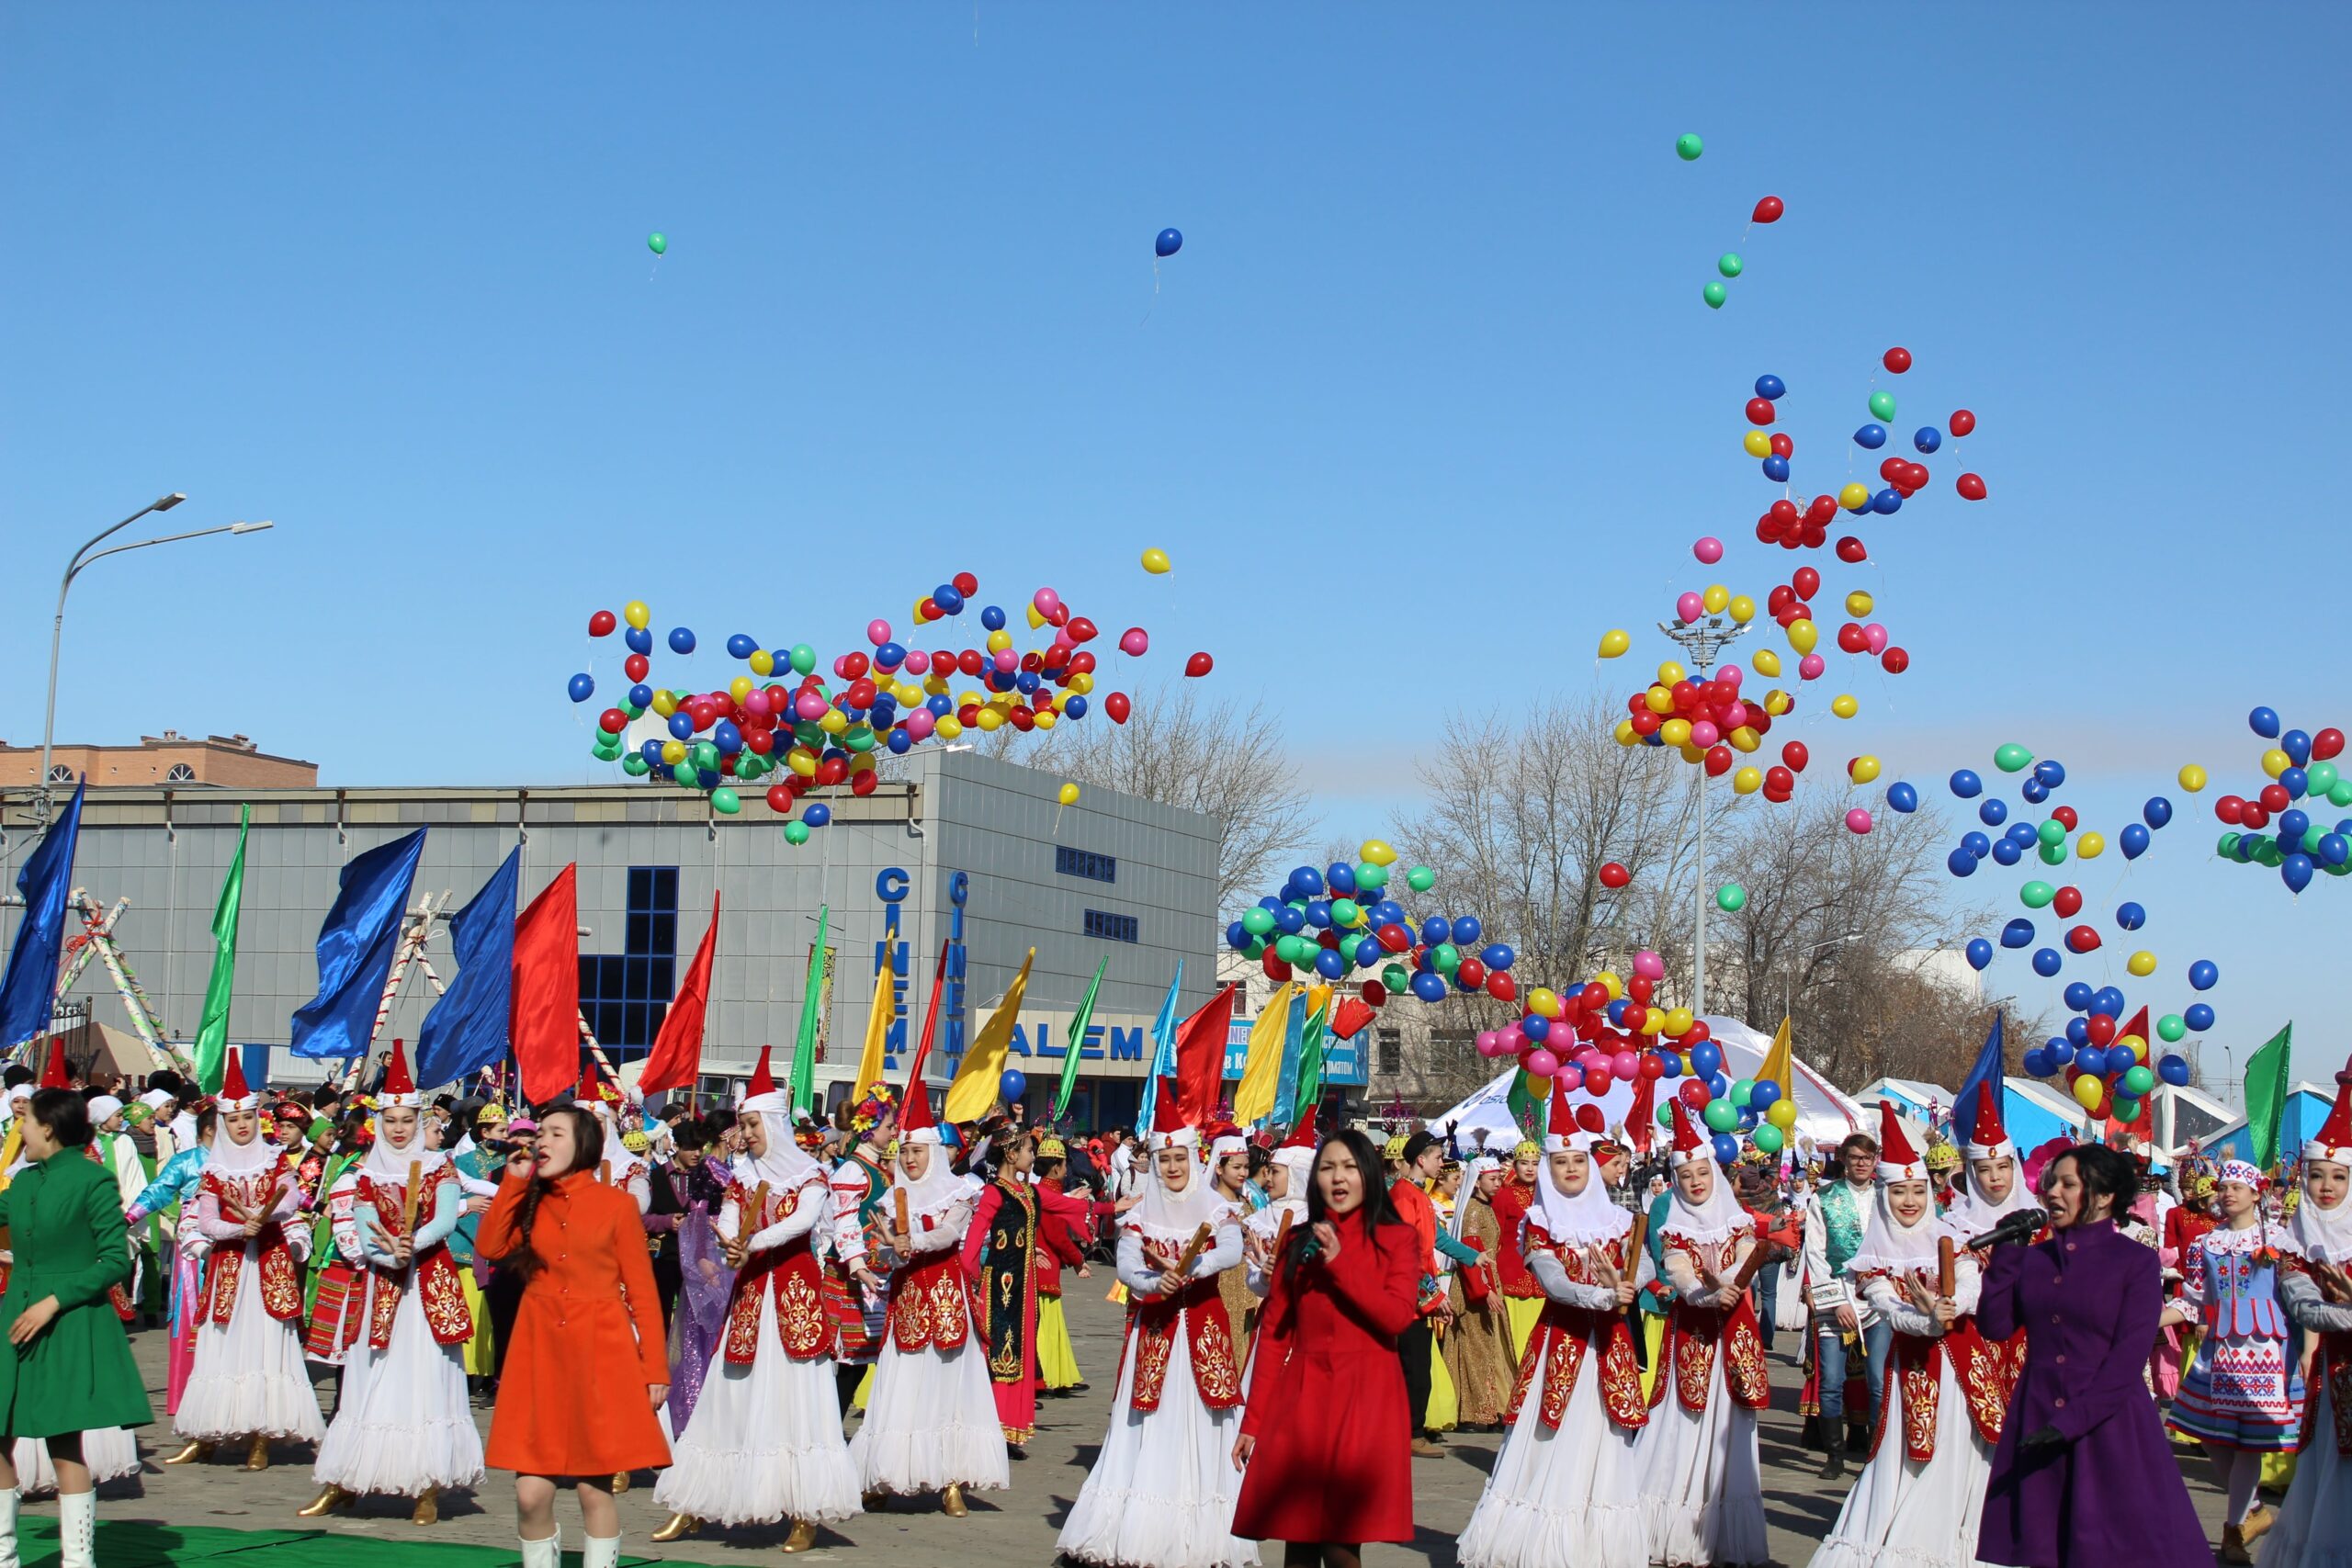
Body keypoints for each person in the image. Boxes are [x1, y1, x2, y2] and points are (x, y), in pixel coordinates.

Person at [652, 1048, 859, 1554]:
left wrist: (753, 1243)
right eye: (741, 1125)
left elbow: (803, 1221)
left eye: (751, 1124)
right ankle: (697, 1502)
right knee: (728, 1392)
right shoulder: (742, 1175)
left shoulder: (811, 1174)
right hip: (750, 1297)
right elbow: (728, 1215)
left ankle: (803, 1511)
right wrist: (728, 1242)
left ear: (770, 1122)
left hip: (793, 1293)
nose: (744, 1134)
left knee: (797, 1398)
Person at [1974, 1143, 2209, 1568]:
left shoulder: (2135, 1261)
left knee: (2112, 1545)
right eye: (2050, 1184)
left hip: (2110, 1421)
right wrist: (2006, 1256)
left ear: (2102, 1196)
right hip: (2039, 1410)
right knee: (2046, 1543)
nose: (2052, 1194)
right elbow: (1996, 1327)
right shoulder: (2034, 1259)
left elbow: (2126, 1357)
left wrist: (2072, 1422)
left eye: (2067, 1184)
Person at [1456, 1086, 1648, 1568]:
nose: (1571, 1170)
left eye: (1578, 1162)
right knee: (1551, 1434)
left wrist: (1628, 1281)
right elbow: (1554, 1282)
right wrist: (1603, 1293)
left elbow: (1644, 1265)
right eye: (1561, 1163)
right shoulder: (1539, 1222)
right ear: (1548, 1169)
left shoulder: (1621, 1219)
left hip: (1609, 1344)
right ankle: (1542, 1545)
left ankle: (1595, 1544)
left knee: (1605, 1435)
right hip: (1562, 1340)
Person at [1812, 1105, 2010, 1568]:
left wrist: (1952, 1304)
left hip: (1964, 1367)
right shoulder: (1874, 1257)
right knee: (1912, 1454)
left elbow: (1971, 1282)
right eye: (1899, 1191)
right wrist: (1925, 1319)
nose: (1910, 1201)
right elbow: (1886, 1307)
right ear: (1883, 1194)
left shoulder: (1951, 1235)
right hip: (1916, 1369)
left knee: (1964, 1453)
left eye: (1918, 1190)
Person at [1058, 1099, 1253, 1568]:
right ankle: (1141, 1527)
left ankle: (1206, 1536)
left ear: (1194, 1159)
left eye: (1179, 1158)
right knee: (1147, 1422)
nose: (1171, 1167)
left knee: (1208, 1420)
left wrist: (1195, 1267)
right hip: (1158, 1329)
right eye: (1163, 1159)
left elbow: (1230, 1249)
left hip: (1205, 1328)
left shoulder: (1215, 1207)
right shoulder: (1141, 1210)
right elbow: (1126, 1265)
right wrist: (1154, 1282)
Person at [479, 1105, 671, 1568]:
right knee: (530, 1492)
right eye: (540, 1131)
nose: (542, 1140)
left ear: (582, 1143)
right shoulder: (527, 1198)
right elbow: (490, 1247)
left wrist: (654, 1369)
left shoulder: (618, 1205)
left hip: (600, 1350)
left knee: (593, 1488)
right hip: (537, 1349)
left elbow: (643, 1294)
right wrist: (513, 1183)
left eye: (555, 1133)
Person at [301, 1041, 483, 1524]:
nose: (399, 1129)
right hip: (382, 1285)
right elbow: (361, 1226)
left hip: (426, 1285)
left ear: (419, 1121)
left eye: (406, 1121)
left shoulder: (439, 1166)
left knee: (423, 1376)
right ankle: (347, 1477)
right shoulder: (364, 1173)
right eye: (391, 1121)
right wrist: (388, 1251)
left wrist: (412, 1243)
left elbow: (445, 1219)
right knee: (367, 1376)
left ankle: (424, 1483)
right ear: (379, 1123)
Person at [1231, 1128, 1421, 1568]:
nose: (1339, 1177)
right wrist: (1253, 1420)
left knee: (1340, 1540)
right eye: (1329, 1167)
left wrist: (1340, 1264)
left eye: (1350, 1167)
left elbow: (1395, 1317)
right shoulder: (1298, 1241)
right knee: (1296, 1536)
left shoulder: (1396, 1239)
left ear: (1370, 1176)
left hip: (1368, 1397)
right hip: (1303, 1396)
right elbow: (1276, 1333)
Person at [0, 1086, 153, 1568]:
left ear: (47, 1128)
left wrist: (53, 1302)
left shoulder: (94, 1180)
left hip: (65, 1323)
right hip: (13, 1323)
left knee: (64, 1444)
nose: (19, 1130)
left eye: (25, 1122)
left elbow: (113, 1260)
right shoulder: (22, 1182)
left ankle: (77, 1561)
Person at [848, 1081, 1006, 1516]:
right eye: (904, 1152)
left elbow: (949, 1233)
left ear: (934, 1154)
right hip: (908, 1301)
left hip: (947, 1297)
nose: (910, 1159)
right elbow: (882, 1248)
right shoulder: (888, 1197)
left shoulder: (957, 1192)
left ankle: (951, 1479)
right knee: (900, 1384)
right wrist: (887, 1248)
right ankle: (883, 1473)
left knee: (950, 1385)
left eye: (917, 1151)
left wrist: (908, 1241)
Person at [168, 1053, 323, 1472]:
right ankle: (207, 1432)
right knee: (222, 1345)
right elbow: (205, 1220)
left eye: (250, 1118)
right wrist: (239, 1230)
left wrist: (266, 1215)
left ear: (259, 1119)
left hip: (269, 1265)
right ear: (222, 1123)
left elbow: (291, 1197)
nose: (242, 1125)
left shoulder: (275, 1160)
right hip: (229, 1268)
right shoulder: (213, 1170)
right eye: (235, 1120)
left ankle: (262, 1434)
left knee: (267, 1344)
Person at [1634, 1100, 1768, 1568]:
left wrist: (1730, 1283)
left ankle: (1727, 1536)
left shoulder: (1739, 1221)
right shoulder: (1675, 1230)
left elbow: (1746, 1257)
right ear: (1676, 1180)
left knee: (1733, 1427)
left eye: (1702, 1173)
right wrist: (1708, 1295)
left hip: (1734, 1336)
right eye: (1686, 1176)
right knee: (1684, 1425)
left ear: (1715, 1173)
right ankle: (1676, 1528)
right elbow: (1682, 1276)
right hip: (1694, 1335)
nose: (1695, 1182)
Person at [2162, 1157, 2305, 1561]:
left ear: (2256, 1193)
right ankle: (2254, 1511)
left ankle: (2233, 1533)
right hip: (2219, 1350)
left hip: (2264, 1350)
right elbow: (2198, 1303)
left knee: (2246, 1445)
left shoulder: (2278, 1239)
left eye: (2236, 1188)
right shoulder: (2209, 1243)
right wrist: (2146, 1323)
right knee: (2209, 1436)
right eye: (2222, 1187)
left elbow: (2298, 1294)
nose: (2226, 1194)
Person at [2263, 1066, 2352, 1568]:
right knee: (2333, 1496)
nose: (2326, 1187)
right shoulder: (2295, 1248)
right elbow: (2304, 1309)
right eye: (2317, 1175)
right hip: (2337, 1388)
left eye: (2339, 1177)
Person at [1390, 1131, 1484, 1454]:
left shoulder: (1419, 1196)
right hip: (1406, 1297)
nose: (1440, 1164)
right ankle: (1410, 1433)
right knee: (1413, 1367)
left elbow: (1437, 1239)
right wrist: (1434, 1297)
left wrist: (1473, 1257)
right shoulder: (1403, 1197)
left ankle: (1410, 1430)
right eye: (1437, 1158)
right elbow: (1406, 1253)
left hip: (1418, 1293)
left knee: (1418, 1365)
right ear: (1421, 1159)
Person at [1802, 1129, 1887, 1475]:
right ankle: (1835, 1455)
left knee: (1880, 1378)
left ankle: (1878, 1449)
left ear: (1876, 1160)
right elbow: (1816, 1253)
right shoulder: (1824, 1198)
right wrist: (1836, 1301)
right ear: (1844, 1161)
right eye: (1855, 1158)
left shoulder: (1887, 1196)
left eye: (1867, 1158)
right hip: (1836, 1295)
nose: (1861, 1164)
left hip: (1877, 1298)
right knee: (1831, 1381)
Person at [824, 1085, 898, 1416]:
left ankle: (832, 1425)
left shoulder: (879, 1169)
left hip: (873, 1273)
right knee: (844, 1359)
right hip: (850, 1276)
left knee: (860, 1360)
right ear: (868, 1132)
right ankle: (829, 1424)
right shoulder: (853, 1171)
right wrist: (858, 1264)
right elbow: (844, 1222)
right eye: (889, 1127)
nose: (895, 1131)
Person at [661, 1119, 735, 1430]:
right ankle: (694, 1407)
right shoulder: (708, 1169)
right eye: (738, 1130)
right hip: (710, 1253)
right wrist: (702, 1259)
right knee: (700, 1333)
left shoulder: (726, 1167)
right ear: (725, 1135)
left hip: (726, 1250)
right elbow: (698, 1217)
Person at [1444, 1138, 1518, 1430]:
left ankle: (1491, 1408)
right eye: (1493, 1178)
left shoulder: (1485, 1208)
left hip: (1489, 1282)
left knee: (1488, 1347)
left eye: (1500, 1178)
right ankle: (1476, 1412)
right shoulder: (1474, 1211)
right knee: (1477, 1349)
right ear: (1477, 1182)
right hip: (1475, 1288)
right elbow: (1470, 1253)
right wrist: (1484, 1291)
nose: (1498, 1182)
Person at [1033, 1135, 1096, 1395]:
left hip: (1044, 1264)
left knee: (1050, 1323)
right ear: (1057, 1167)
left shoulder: (1046, 1191)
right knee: (1046, 1325)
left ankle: (1057, 1375)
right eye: (1064, 1165)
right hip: (1044, 1264)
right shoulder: (1048, 1194)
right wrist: (1078, 1261)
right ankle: (1048, 1376)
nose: (1067, 1170)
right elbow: (1057, 1235)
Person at [1489, 1138, 1545, 1360]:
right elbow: (1494, 1237)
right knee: (1517, 1339)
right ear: (1515, 1166)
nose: (1530, 1168)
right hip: (1512, 1275)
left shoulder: (1549, 1196)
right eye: (1524, 1163)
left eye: (1535, 1163)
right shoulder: (1504, 1196)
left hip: (1542, 1277)